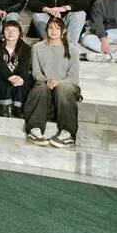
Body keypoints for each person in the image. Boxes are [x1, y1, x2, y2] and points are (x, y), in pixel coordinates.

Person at [25, 17, 81, 148]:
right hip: (44, 83)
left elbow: (73, 77)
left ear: (63, 31)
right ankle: (35, 130)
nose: (53, 31)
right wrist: (47, 80)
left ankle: (67, 133)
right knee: (41, 87)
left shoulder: (73, 50)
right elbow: (36, 73)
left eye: (57, 28)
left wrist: (58, 82)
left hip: (66, 85)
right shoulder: (37, 48)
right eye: (50, 28)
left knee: (62, 88)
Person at [0, 21, 31, 118]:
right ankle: (4, 105)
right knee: (1, 75)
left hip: (16, 78)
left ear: (19, 33)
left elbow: (24, 67)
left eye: (14, 30)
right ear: (3, 32)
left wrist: (19, 78)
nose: (11, 33)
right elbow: (0, 64)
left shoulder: (26, 48)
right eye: (7, 30)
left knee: (25, 78)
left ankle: (18, 106)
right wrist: (10, 77)